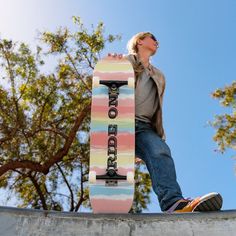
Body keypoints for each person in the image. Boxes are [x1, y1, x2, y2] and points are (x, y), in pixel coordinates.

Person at [125, 32, 222, 213]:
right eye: (152, 38)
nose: (156, 42)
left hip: (144, 128)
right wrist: (114, 66)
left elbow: (157, 108)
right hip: (121, 122)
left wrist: (151, 141)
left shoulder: (159, 76)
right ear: (140, 41)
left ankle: (173, 204)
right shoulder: (124, 62)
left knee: (160, 151)